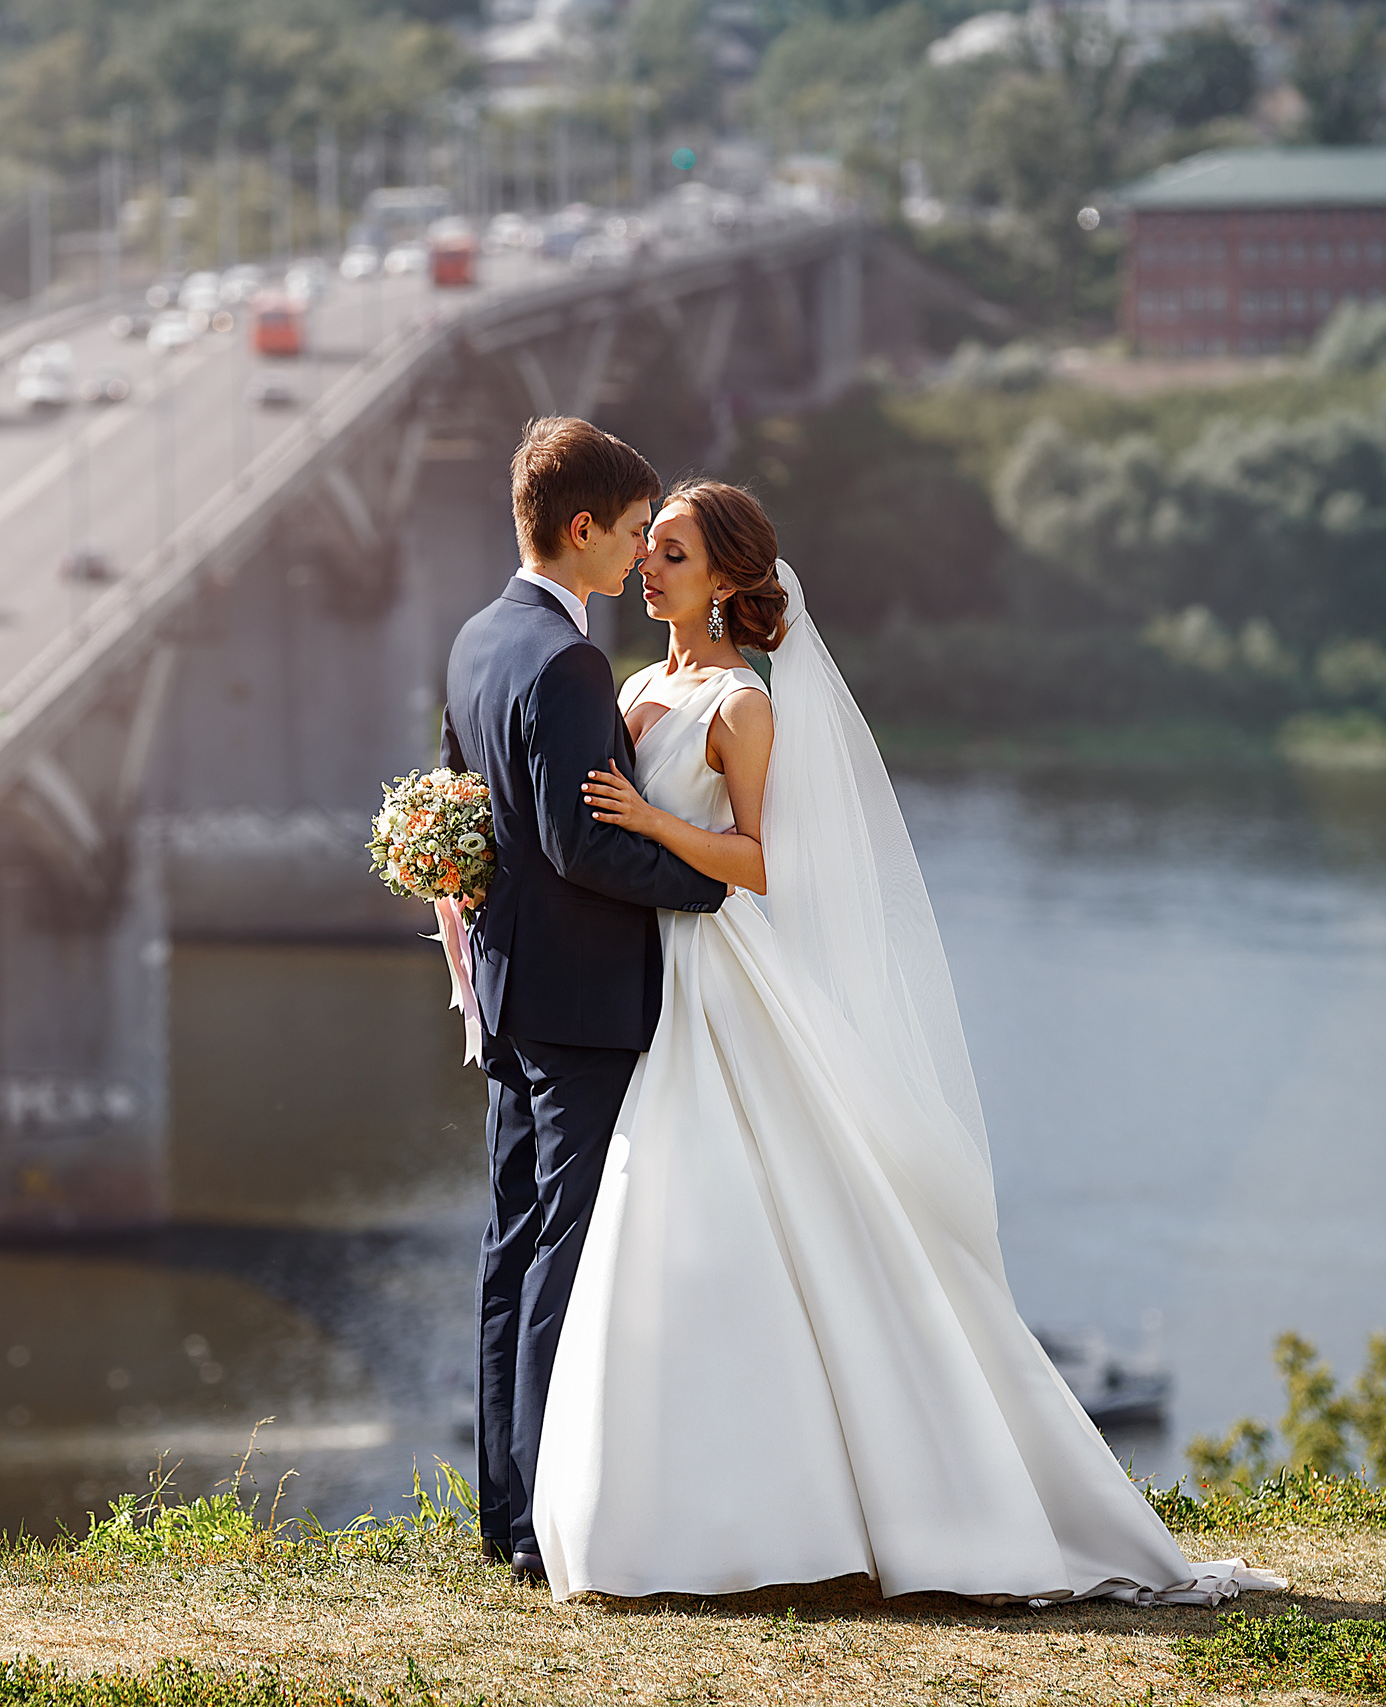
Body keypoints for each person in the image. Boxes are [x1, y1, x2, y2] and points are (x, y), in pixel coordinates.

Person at [525, 477, 1283, 1606]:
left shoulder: (742, 703)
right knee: (664, 1223)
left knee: (730, 1203)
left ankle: (828, 1514)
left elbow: (767, 863)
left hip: (717, 973)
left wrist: (653, 821)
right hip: (646, 975)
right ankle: (670, 1516)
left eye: (673, 553)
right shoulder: (635, 684)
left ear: (724, 579)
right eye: (651, 550)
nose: (649, 568)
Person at [435, 418, 730, 1582]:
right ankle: (542, 1527)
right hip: (578, 1005)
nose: (640, 555)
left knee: (511, 1248)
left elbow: (458, 811)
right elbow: (578, 842)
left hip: (510, 993)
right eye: (631, 532)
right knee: (563, 1251)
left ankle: (503, 1515)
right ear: (580, 528)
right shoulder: (566, 663)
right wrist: (706, 885)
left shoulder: (476, 638)